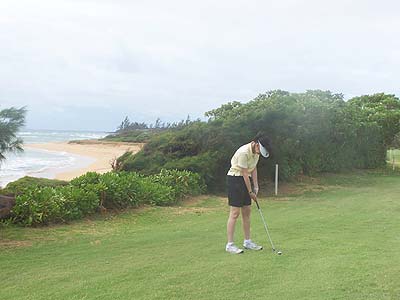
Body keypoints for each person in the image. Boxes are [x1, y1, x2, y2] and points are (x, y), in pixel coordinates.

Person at [225, 132, 272, 254]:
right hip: (235, 179)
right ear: (255, 144)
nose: (259, 153)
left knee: (247, 211)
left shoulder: (256, 152)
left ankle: (247, 241)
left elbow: (253, 169)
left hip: (245, 179)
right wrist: (250, 191)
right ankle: (230, 244)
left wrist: (256, 187)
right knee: (235, 213)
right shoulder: (243, 152)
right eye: (259, 150)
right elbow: (245, 173)